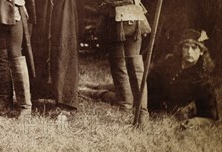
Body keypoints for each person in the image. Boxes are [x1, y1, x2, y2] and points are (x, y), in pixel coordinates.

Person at [80, 29, 218, 128]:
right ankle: (94, 85)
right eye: (186, 47)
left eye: (194, 48)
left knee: (123, 98)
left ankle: (89, 92)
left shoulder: (202, 80)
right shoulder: (170, 62)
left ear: (201, 52)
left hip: (153, 105)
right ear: (181, 48)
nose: (189, 51)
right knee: (124, 87)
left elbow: (210, 116)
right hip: (143, 90)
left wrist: (196, 122)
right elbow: (147, 79)